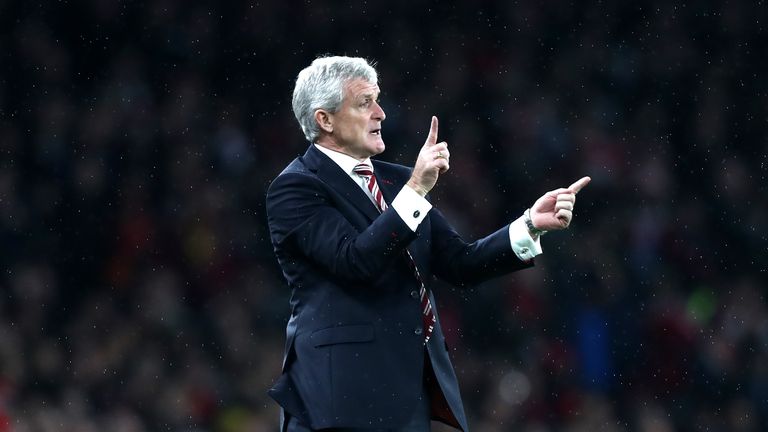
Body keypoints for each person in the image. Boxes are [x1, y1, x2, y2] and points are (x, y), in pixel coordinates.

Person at [266, 55, 590, 432]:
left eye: (378, 99)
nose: (381, 113)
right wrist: (417, 189)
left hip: (407, 392)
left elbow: (460, 263)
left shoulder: (395, 182)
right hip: (338, 397)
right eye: (364, 103)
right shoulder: (296, 188)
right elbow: (354, 261)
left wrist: (530, 225)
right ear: (325, 120)